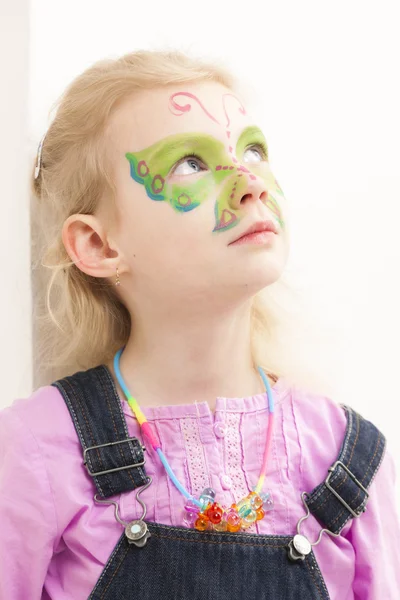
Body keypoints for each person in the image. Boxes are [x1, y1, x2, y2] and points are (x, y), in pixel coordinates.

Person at [0, 49, 399, 600]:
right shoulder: (38, 448)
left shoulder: (343, 459)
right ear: (98, 244)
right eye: (191, 163)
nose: (249, 184)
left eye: (254, 151)